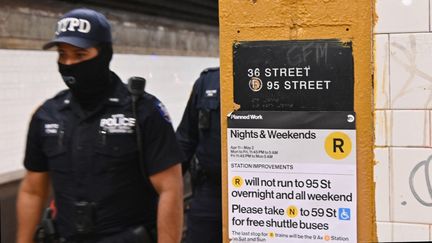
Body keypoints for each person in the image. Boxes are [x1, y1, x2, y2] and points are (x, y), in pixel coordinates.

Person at [16, 8, 184, 243]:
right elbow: (32, 191)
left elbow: (170, 190)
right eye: (62, 54)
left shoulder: (143, 111)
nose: (69, 63)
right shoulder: (47, 115)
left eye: (80, 54)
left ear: (104, 54)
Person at [176, 67, 221, 243]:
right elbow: (185, 140)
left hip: (266, 193)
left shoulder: (277, 79)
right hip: (211, 193)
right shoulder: (206, 83)